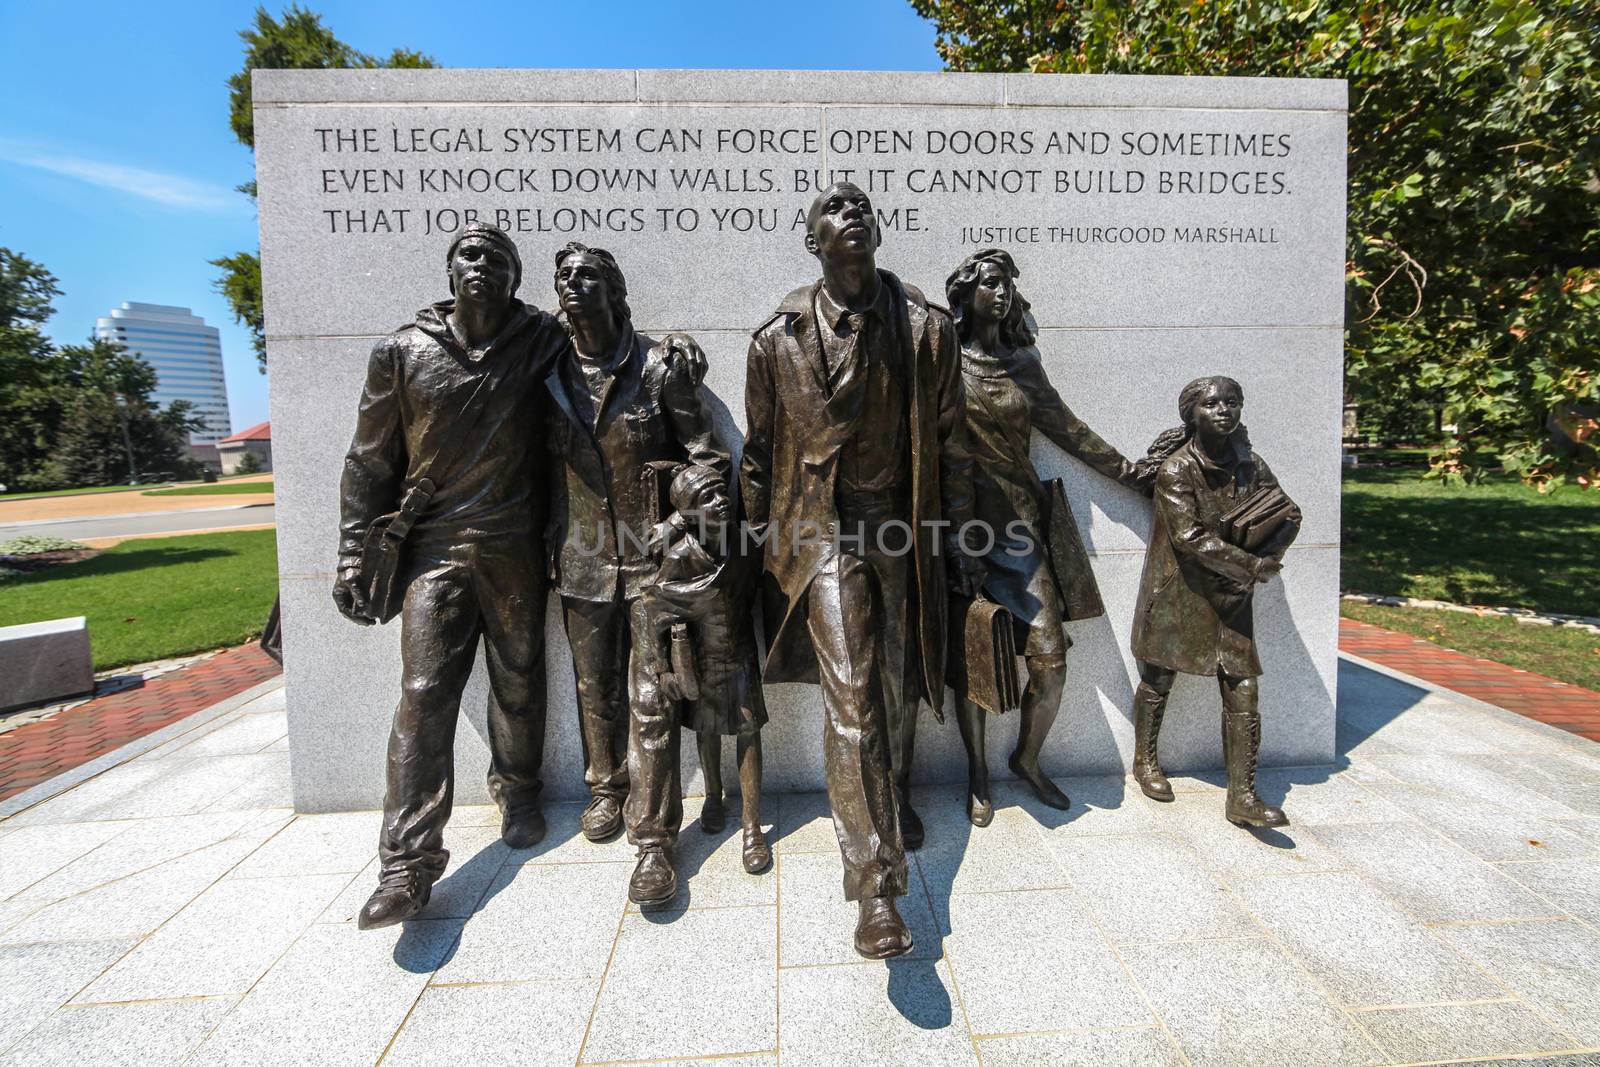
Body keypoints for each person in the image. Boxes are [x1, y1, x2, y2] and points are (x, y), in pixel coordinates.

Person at [742, 181, 977, 959]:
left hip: (904, 524)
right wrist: (747, 545)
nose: (851, 214)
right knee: (852, 696)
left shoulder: (925, 328)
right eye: (831, 210)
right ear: (813, 242)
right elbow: (760, 448)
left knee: (898, 681)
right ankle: (876, 884)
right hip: (822, 534)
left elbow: (948, 434)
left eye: (861, 206)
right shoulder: (775, 339)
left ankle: (894, 790)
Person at [334, 223, 563, 929]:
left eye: (497, 258)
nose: (482, 265)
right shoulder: (401, 352)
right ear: (450, 270)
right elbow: (368, 460)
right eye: (470, 254)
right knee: (425, 691)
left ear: (515, 277)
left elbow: (605, 345)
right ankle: (405, 864)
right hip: (434, 548)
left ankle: (519, 789)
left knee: (520, 673)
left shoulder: (541, 339)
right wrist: (350, 550)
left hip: (515, 541)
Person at [544, 242, 728, 905]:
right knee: (594, 687)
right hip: (579, 555)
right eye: (563, 277)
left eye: (587, 275)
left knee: (651, 699)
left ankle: (654, 842)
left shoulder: (658, 367)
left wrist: (678, 524)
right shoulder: (545, 368)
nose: (573, 284)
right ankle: (605, 788)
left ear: (617, 291)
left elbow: (709, 459)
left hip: (653, 561)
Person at [943, 249, 1149, 826]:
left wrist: (1131, 475)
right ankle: (978, 775)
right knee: (974, 658)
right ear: (967, 294)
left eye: (1008, 285)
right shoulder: (943, 364)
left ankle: (1027, 758)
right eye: (990, 283)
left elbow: (1070, 430)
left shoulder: (1021, 365)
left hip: (1021, 533)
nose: (1002, 293)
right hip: (962, 532)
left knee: (1050, 662)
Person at [1130, 375, 1300, 827]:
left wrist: (1268, 557)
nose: (1224, 410)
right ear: (1192, 414)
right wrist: (1251, 565)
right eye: (1212, 403)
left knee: (1243, 686)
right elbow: (1188, 538)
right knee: (1158, 677)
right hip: (1178, 591)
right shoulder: (1176, 470)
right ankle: (1145, 762)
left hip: (1231, 595)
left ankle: (1241, 796)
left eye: (1233, 402)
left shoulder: (1252, 465)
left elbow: (1288, 512)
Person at [638, 464, 770, 874]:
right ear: (689, 514)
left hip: (741, 651)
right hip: (702, 656)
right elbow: (655, 610)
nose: (721, 500)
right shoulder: (680, 557)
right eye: (707, 498)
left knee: (748, 730)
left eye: (721, 492)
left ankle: (752, 825)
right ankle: (713, 795)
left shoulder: (745, 544)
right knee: (708, 728)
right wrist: (663, 668)